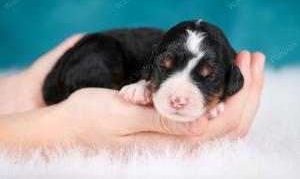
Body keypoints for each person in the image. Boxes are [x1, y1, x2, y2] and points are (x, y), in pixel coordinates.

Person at [0, 34, 265, 152]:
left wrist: (23, 92)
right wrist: (64, 125)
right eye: (164, 70)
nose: (179, 96)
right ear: (153, 66)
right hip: (100, 52)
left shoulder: (226, 69)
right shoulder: (149, 64)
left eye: (207, 80)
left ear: (231, 80)